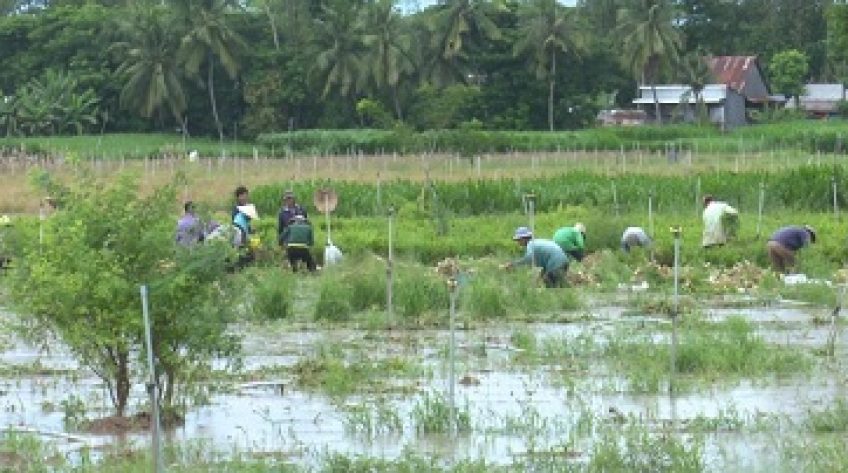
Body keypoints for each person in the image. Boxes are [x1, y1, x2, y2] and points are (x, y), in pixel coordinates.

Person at [502, 226, 569, 288]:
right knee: (556, 283)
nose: (518, 242)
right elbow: (546, 264)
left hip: (556, 264)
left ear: (524, 239)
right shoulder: (537, 243)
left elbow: (528, 259)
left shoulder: (531, 244)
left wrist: (512, 265)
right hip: (563, 261)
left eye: (519, 240)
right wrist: (538, 279)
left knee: (551, 285)